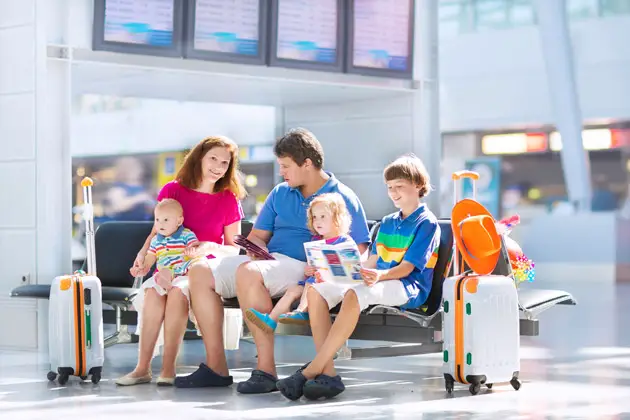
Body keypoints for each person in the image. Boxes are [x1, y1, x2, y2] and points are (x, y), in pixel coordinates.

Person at [174, 128, 370, 392]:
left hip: (305, 266)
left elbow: (358, 250)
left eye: (286, 166)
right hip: (270, 261)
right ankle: (216, 368)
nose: (282, 172)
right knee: (199, 270)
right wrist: (255, 247)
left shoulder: (341, 196)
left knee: (248, 271)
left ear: (307, 164)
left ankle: (265, 372)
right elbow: (257, 236)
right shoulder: (280, 192)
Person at [276, 153, 441, 401]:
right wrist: (344, 269)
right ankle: (328, 374)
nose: (394, 193)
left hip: (407, 286)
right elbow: (371, 261)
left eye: (400, 187)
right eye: (390, 188)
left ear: (418, 185)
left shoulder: (427, 223)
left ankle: (309, 371)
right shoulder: (387, 222)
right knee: (317, 291)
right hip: (378, 279)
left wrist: (376, 276)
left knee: (355, 294)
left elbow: (407, 269)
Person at [115, 136, 245, 386]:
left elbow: (233, 249)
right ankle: (142, 369)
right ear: (199, 158)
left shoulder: (229, 198)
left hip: (202, 269)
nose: (218, 167)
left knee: (177, 294)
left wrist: (210, 246)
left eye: (225, 162)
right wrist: (143, 255)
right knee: (153, 294)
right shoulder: (173, 190)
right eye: (213, 159)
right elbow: (157, 232)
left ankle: (167, 370)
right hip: (168, 267)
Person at [245, 192, 355, 332]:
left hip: (331, 285)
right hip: (313, 281)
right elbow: (312, 264)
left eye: (323, 217)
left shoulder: (344, 241)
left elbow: (351, 266)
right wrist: (309, 269)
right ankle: (271, 320)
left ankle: (301, 311)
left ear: (337, 218)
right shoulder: (315, 241)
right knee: (293, 290)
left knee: (310, 284)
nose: (318, 221)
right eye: (314, 217)